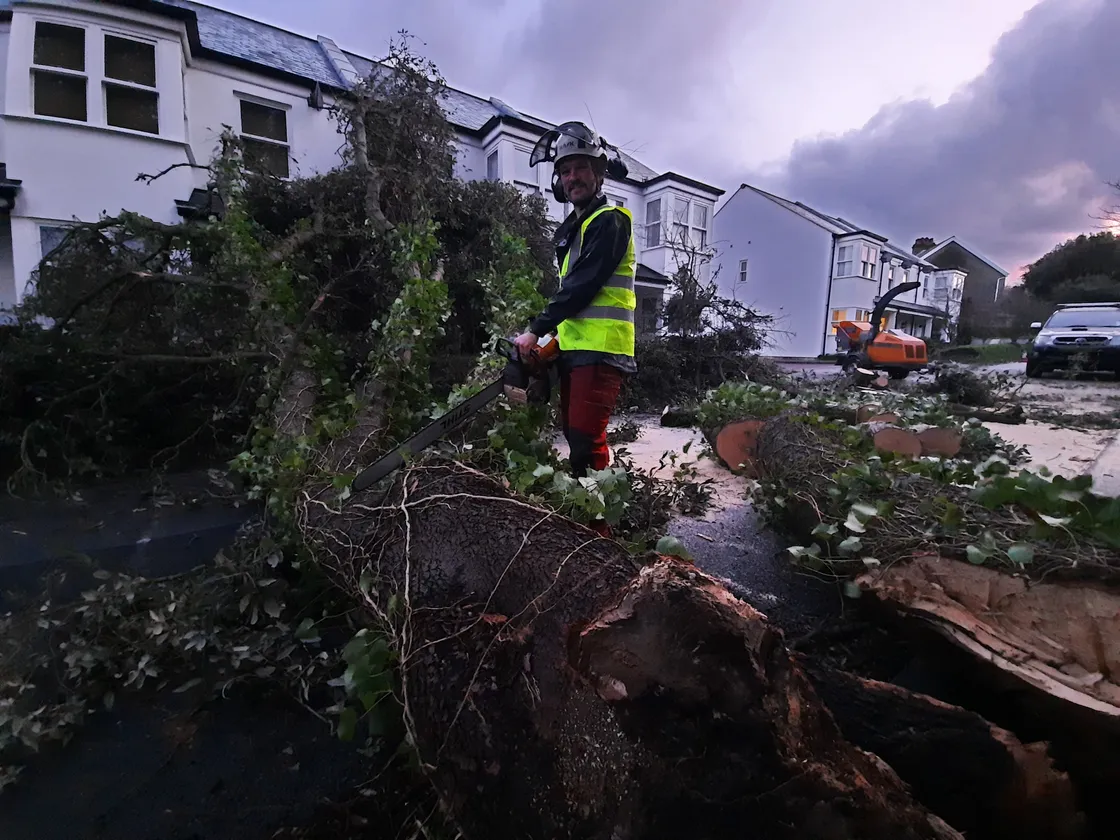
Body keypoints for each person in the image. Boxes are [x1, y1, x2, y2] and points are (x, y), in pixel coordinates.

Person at [514, 122, 637, 534]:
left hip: (602, 351)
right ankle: (588, 519)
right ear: (558, 181)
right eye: (565, 171)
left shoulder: (611, 221)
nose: (573, 177)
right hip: (578, 350)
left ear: (599, 174)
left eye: (581, 168)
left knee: (586, 439)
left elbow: (583, 288)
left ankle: (600, 536)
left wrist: (535, 329)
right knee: (574, 437)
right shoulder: (575, 231)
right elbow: (571, 300)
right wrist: (548, 348)